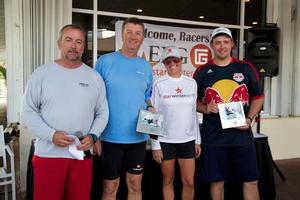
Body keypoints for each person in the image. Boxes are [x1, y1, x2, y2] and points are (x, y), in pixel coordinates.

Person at [22, 24, 109, 200]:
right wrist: (51, 134)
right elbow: (27, 111)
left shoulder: (94, 77)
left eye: (79, 42)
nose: (73, 45)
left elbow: (102, 112)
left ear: (83, 47)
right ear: (59, 43)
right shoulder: (42, 74)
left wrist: (93, 135)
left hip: (81, 155)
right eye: (68, 40)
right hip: (49, 154)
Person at [193, 27, 264, 200]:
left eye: (226, 42)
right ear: (212, 45)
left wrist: (249, 118)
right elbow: (192, 101)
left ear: (232, 44)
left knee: (251, 181)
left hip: (242, 137)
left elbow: (258, 97)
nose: (222, 46)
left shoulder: (246, 68)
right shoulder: (201, 72)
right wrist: (205, 108)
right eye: (217, 42)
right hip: (214, 137)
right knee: (217, 182)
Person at [94, 17, 153, 200]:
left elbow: (147, 97)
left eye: (138, 33)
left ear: (142, 37)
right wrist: (94, 134)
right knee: (110, 187)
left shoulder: (145, 66)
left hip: (138, 137)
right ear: (122, 34)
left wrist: (151, 108)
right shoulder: (104, 61)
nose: (133, 37)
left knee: (135, 185)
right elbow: (94, 100)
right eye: (129, 32)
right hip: (110, 137)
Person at [150, 46, 201, 200]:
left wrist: (197, 140)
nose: (172, 63)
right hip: (166, 141)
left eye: (175, 60)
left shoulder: (191, 83)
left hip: (188, 140)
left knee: (189, 182)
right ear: (164, 64)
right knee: (168, 180)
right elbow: (153, 114)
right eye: (168, 61)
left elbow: (193, 113)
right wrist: (155, 145)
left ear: (181, 61)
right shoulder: (158, 83)